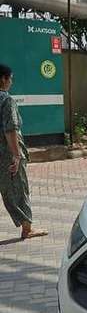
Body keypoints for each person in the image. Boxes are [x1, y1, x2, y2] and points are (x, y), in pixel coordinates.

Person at [0, 63, 44, 241]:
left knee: (8, 192)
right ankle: (27, 228)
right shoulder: (6, 100)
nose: (11, 82)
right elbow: (10, 130)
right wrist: (17, 156)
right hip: (7, 154)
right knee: (19, 190)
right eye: (10, 78)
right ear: (3, 79)